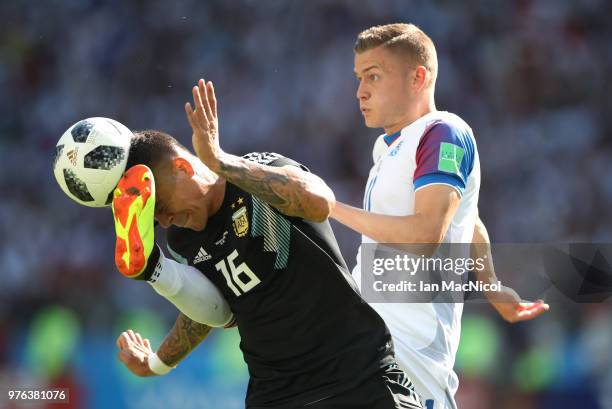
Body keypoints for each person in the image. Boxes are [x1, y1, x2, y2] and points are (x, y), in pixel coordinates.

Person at [114, 79, 423, 409]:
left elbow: (321, 203)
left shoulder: (259, 173)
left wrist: (220, 161)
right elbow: (212, 308)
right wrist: (157, 362)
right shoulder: (183, 237)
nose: (164, 221)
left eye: (161, 206)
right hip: (276, 396)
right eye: (154, 216)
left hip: (356, 377)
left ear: (183, 167)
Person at [330, 24, 549, 409]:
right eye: (360, 78)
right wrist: (492, 286)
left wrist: (328, 208)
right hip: (373, 355)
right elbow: (469, 216)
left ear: (419, 77)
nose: (360, 91)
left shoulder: (443, 132)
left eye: (374, 76)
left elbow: (427, 234)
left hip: (413, 368)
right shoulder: (386, 150)